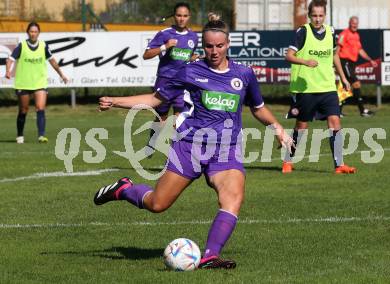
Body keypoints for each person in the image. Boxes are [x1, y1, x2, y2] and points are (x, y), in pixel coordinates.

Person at [94, 14, 292, 269]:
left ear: (228, 44)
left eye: (219, 46)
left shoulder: (244, 74)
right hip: (189, 146)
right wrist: (115, 101)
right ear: (202, 45)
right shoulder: (189, 71)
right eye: (209, 46)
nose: (214, 51)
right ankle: (124, 189)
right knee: (157, 204)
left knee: (233, 197)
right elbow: (156, 99)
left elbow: (258, 107)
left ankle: (210, 255)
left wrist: (277, 128)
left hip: (226, 149)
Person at [282, 0, 356, 174]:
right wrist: (305, 61)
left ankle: (339, 165)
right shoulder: (303, 32)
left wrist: (343, 78)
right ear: (309, 15)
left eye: (320, 15)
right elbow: (289, 56)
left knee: (335, 122)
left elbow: (334, 56)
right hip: (307, 89)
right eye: (314, 15)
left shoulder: (331, 32)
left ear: (325, 15)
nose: (317, 19)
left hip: (328, 87)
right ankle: (288, 160)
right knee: (302, 126)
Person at [143, 2, 199, 154]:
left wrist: (194, 58)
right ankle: (152, 142)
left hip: (182, 82)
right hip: (165, 80)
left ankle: (177, 155)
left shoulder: (193, 37)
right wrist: (164, 47)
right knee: (161, 118)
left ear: (189, 17)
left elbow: (187, 56)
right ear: (174, 17)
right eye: (179, 15)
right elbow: (146, 55)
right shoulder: (165, 33)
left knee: (179, 120)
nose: (182, 19)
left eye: (185, 16)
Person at [5, 21, 68, 144]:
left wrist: (61, 74)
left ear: (39, 33)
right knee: (24, 110)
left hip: (40, 82)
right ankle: (20, 135)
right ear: (27, 33)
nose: (33, 34)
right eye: (31, 31)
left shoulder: (43, 46)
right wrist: (8, 71)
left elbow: (53, 61)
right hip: (23, 83)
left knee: (40, 108)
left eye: (35, 31)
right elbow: (10, 59)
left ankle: (41, 135)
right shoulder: (21, 46)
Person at [337, 16, 378, 117]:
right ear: (349, 23)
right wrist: (335, 64)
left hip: (351, 64)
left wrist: (370, 60)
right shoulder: (344, 34)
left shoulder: (356, 35)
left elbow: (360, 50)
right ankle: (362, 110)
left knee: (345, 87)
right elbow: (337, 49)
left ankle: (337, 112)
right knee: (356, 84)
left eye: (356, 23)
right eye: (353, 23)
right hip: (344, 62)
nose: (354, 25)